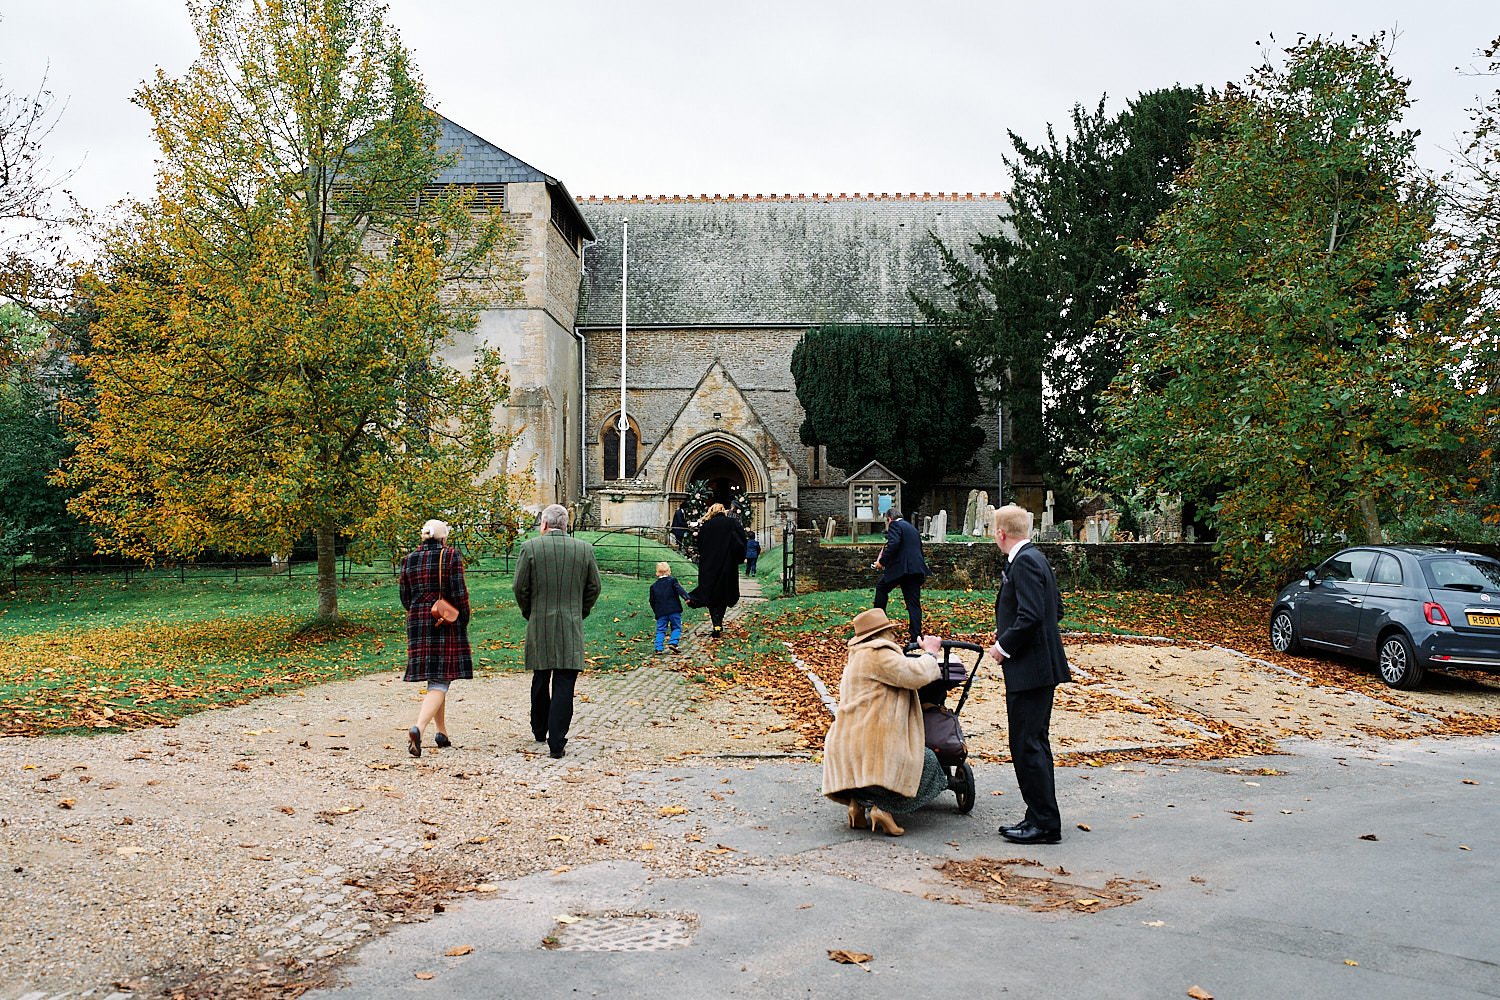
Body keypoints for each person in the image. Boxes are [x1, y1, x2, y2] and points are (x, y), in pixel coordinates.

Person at [988, 503, 1071, 845]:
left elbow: (1033, 615)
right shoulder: (1036, 558)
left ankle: (1044, 823)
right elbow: (1056, 609)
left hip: (1030, 669)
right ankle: (1039, 815)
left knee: (1027, 745)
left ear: (1001, 534)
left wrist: (1003, 645)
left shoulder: (1024, 562)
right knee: (1033, 742)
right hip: (1037, 666)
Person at [822, 609, 946, 836]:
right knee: (928, 765)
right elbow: (915, 675)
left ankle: (857, 804)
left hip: (845, 743)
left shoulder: (857, 656)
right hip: (873, 746)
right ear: (880, 634)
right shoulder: (878, 653)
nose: (894, 636)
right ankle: (884, 808)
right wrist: (930, 653)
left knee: (874, 769)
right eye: (890, 631)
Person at [513, 503, 603, 759]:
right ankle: (557, 741)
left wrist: (530, 612)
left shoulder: (530, 548)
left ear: (544, 524)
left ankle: (539, 728)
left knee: (540, 676)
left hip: (539, 621)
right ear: (566, 525)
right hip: (570, 623)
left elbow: (520, 587)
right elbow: (594, 587)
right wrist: (580, 611)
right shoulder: (584, 549)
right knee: (565, 681)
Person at [398, 519, 472, 758]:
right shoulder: (450, 556)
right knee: (441, 680)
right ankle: (418, 728)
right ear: (444, 538)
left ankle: (442, 732)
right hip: (444, 621)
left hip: (418, 622)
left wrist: (418, 610)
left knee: (437, 678)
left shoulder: (409, 559)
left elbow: (405, 596)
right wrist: (462, 618)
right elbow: (459, 592)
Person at [687, 503, 746, 639]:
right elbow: (740, 542)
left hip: (710, 566)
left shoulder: (706, 526)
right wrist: (738, 558)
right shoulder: (732, 523)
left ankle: (716, 624)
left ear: (711, 511)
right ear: (723, 511)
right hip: (727, 565)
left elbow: (699, 545)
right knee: (723, 595)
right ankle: (718, 623)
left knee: (712, 595)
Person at [873, 509, 929, 643]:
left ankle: (877, 626)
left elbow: (894, 544)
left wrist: (882, 562)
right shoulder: (912, 528)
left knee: (881, 588)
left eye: (886, 522)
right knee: (913, 604)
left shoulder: (895, 525)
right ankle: (916, 637)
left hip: (901, 569)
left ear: (889, 519)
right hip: (915, 569)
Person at [649, 561, 690, 654]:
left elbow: (652, 601)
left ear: (657, 573)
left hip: (661, 612)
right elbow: (679, 589)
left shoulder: (653, 586)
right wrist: (686, 598)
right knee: (676, 627)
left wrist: (656, 611)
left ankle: (658, 648)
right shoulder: (672, 581)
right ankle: (673, 642)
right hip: (674, 610)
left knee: (661, 630)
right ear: (669, 571)